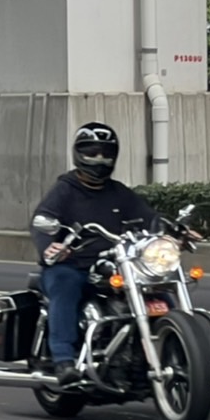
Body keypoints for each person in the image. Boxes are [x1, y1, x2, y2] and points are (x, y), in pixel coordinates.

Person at [30, 123, 164, 383]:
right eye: (92, 153)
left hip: (113, 266)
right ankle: (63, 360)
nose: (100, 159)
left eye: (106, 153)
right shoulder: (65, 190)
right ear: (79, 154)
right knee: (64, 284)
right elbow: (43, 219)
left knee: (155, 290)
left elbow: (149, 217)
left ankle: (162, 352)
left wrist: (171, 230)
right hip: (72, 264)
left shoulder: (118, 192)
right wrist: (50, 245)